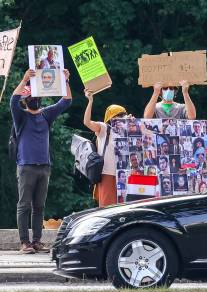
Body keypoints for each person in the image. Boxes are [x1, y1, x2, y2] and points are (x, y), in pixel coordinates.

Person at [11, 69, 72, 254]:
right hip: (26, 166)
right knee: (24, 205)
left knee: (39, 206)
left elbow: (66, 101)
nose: (33, 99)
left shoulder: (46, 114)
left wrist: (65, 80)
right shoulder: (21, 116)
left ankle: (36, 241)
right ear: (26, 100)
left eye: (36, 96)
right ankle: (24, 243)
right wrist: (24, 79)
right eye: (30, 96)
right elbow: (13, 100)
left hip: (44, 166)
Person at [83, 89, 129, 207]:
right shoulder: (104, 128)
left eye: (123, 115)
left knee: (123, 207)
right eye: (119, 116)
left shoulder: (127, 130)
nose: (122, 118)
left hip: (123, 173)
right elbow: (87, 122)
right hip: (107, 173)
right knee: (107, 207)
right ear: (111, 118)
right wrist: (90, 101)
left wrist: (134, 124)